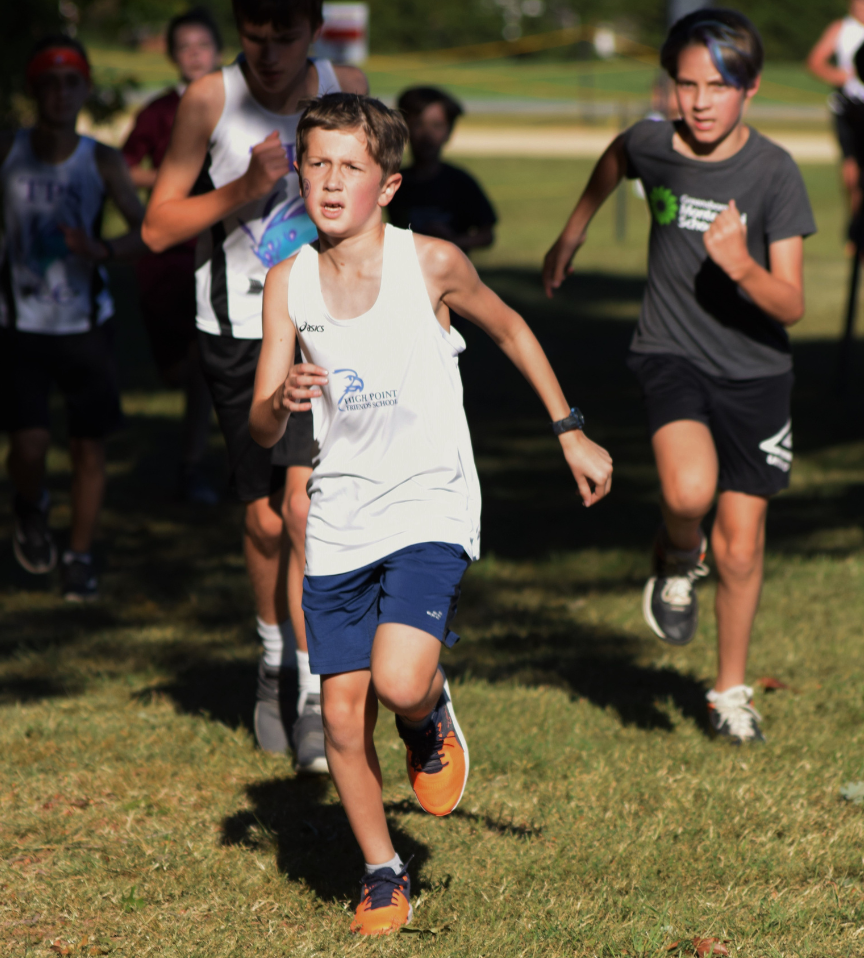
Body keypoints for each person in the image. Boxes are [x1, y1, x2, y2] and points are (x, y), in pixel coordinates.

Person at [250, 93, 613, 935]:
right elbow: (264, 422)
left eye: (352, 167)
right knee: (341, 716)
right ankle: (383, 872)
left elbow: (513, 329)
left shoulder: (432, 262)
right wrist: (282, 396)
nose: (332, 182)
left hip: (427, 500)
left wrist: (570, 431)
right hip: (339, 512)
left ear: (388, 183)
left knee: (398, 679)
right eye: (317, 164)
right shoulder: (288, 280)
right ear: (298, 171)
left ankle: (428, 713)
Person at [543, 9, 816, 744]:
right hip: (671, 352)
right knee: (689, 492)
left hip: (757, 374)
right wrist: (574, 229)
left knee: (744, 545)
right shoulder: (652, 144)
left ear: (750, 90)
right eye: (683, 84)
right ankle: (677, 553)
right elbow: (615, 160)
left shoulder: (773, 172)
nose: (696, 101)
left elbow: (791, 302)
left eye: (716, 87)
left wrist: (742, 266)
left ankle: (730, 691)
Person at [141, 0, 368, 772]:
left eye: (286, 37)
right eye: (254, 36)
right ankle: (272, 657)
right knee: (268, 523)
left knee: (305, 511)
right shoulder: (209, 98)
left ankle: (312, 693)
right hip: (235, 331)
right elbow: (158, 228)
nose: (268, 53)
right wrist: (245, 186)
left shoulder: (348, 87)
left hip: (324, 326)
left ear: (315, 33)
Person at [0, 37, 145, 601]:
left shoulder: (101, 160)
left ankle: (79, 556)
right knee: (29, 445)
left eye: (72, 82)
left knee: (89, 447)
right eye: (49, 83)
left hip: (87, 327)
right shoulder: (9, 151)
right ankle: (32, 505)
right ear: (34, 90)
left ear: (85, 88)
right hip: (20, 325)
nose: (61, 93)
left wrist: (101, 249)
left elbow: (145, 234)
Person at [122, 7, 223, 505]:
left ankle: (194, 465)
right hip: (170, 257)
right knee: (179, 370)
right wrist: (169, 185)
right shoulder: (162, 111)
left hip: (230, 252)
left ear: (219, 49)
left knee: (207, 364)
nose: (194, 55)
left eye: (202, 45)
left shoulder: (239, 105)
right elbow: (122, 165)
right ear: (172, 55)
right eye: (184, 47)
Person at [387, 86, 496, 253]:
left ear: (449, 131)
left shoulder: (461, 183)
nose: (427, 135)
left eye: (437, 125)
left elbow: (487, 235)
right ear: (404, 127)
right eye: (418, 124)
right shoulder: (393, 183)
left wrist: (451, 242)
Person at [807, 1, 864, 224]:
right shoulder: (841, 29)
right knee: (851, 174)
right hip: (849, 109)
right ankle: (855, 223)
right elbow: (815, 61)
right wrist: (836, 75)